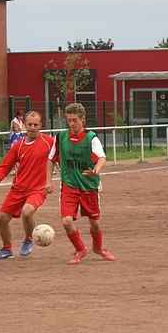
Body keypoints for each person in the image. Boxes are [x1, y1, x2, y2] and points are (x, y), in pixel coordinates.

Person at [47, 102, 116, 265]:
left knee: (94, 223)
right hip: (69, 185)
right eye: (69, 120)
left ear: (82, 120)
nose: (71, 124)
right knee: (66, 221)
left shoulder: (91, 138)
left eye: (74, 120)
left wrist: (96, 170)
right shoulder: (61, 137)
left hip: (89, 187)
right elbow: (50, 159)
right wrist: (48, 181)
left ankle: (98, 248)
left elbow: (102, 158)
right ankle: (80, 249)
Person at [0, 111, 54, 259]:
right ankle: (6, 249)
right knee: (2, 219)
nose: (32, 127)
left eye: (36, 124)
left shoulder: (49, 142)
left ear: (41, 126)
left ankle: (29, 239)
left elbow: (59, 158)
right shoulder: (18, 145)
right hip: (18, 189)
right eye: (30, 124)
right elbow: (5, 166)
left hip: (38, 189)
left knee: (27, 211)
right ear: (25, 126)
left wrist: (52, 181)